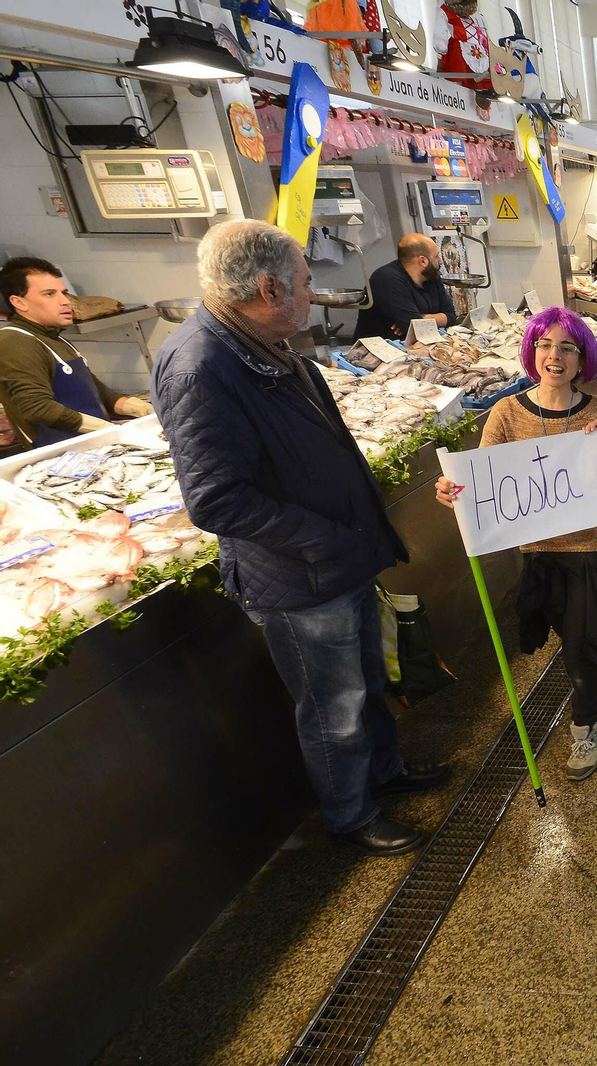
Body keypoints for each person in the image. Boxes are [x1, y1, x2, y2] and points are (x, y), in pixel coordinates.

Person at [153, 220, 445, 857]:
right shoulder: (203, 365)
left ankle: (385, 774)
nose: (314, 294)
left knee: (367, 681)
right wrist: (325, 540)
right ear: (267, 288)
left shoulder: (262, 342)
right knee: (333, 707)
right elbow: (215, 499)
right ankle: (351, 815)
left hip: (341, 560)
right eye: (307, 282)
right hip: (301, 578)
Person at [435, 307, 597, 780]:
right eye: (546, 344)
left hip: (593, 548)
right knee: (573, 637)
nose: (555, 355)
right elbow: (482, 478)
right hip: (541, 553)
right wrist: (452, 489)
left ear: (581, 358)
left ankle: (585, 726)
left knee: (576, 646)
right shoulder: (506, 412)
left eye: (567, 347)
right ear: (533, 351)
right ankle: (596, 678)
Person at [0, 257, 151, 447]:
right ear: (19, 302)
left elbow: (99, 393)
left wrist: (145, 411)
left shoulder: (55, 338)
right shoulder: (14, 341)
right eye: (49, 294)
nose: (65, 302)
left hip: (93, 447)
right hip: (60, 457)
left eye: (64, 293)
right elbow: (37, 408)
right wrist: (106, 429)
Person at [354, 233, 458, 339]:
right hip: (378, 351)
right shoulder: (387, 278)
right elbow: (414, 328)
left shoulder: (431, 275)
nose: (440, 261)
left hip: (415, 345)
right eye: (436, 256)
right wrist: (429, 320)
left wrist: (423, 319)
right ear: (423, 261)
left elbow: (451, 317)